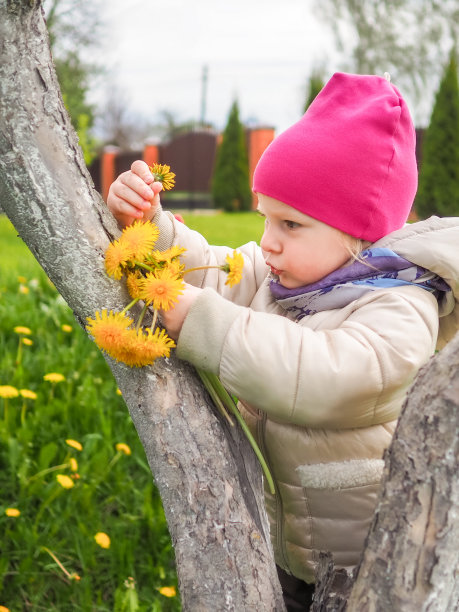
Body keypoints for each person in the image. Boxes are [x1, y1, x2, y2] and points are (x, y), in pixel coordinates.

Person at [107, 72, 459, 610]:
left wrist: (202, 321)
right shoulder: (283, 276)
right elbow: (214, 272)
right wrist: (153, 225)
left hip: (361, 563)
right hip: (287, 544)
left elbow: (323, 376)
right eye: (265, 218)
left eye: (291, 225)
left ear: (359, 231)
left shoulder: (401, 306)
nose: (268, 243)